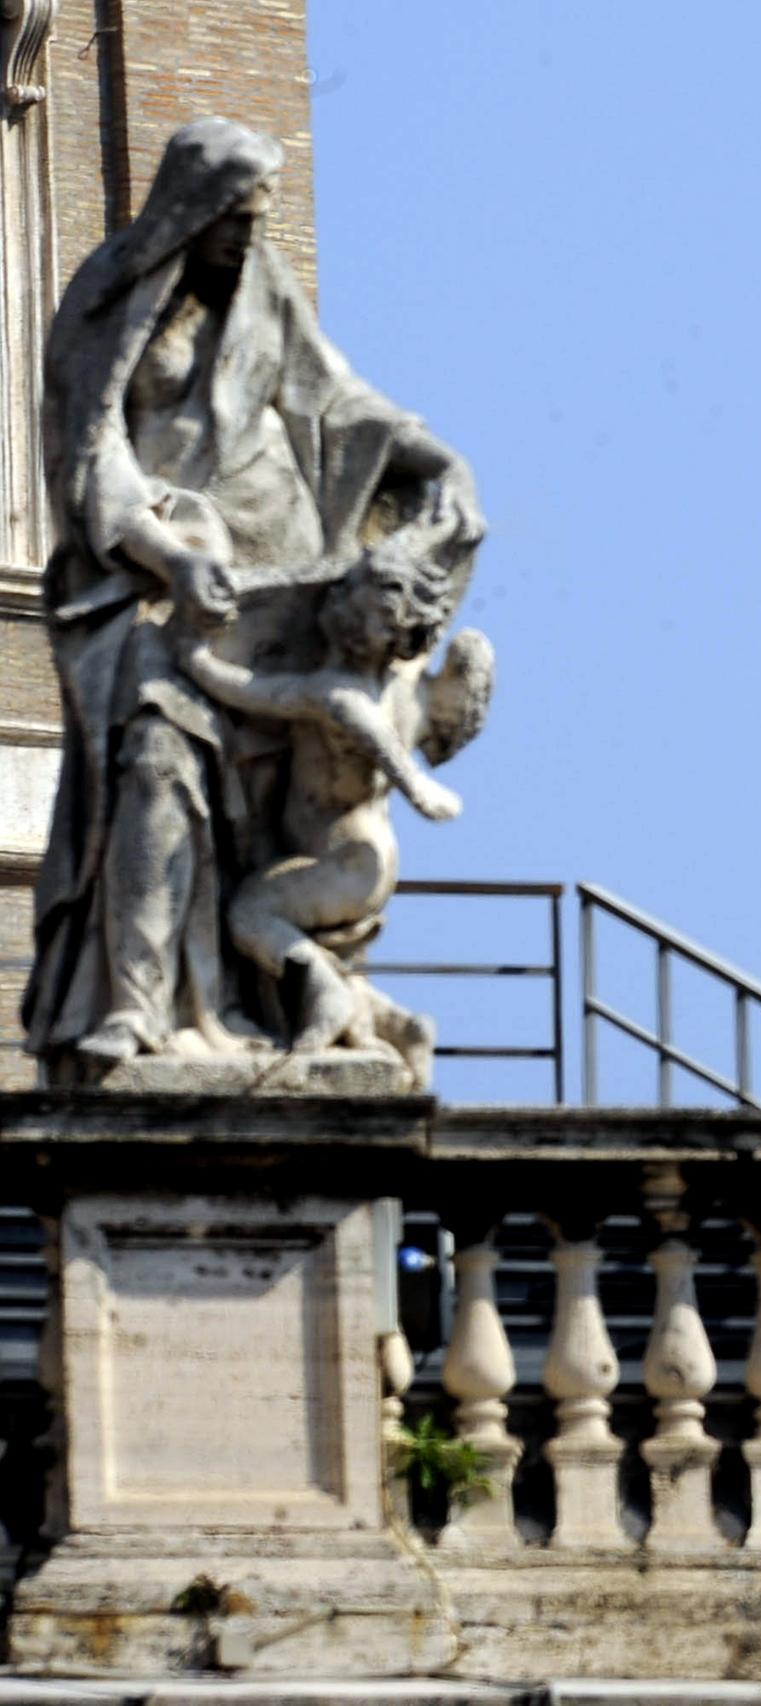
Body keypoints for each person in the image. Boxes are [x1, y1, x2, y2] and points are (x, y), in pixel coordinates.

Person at [27, 117, 479, 1073]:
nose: (248, 239)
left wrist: (442, 465)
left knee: (289, 806)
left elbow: (337, 401)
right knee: (157, 761)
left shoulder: (260, 286)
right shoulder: (111, 300)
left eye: (260, 221)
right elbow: (88, 450)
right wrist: (166, 553)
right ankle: (141, 1008)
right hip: (159, 588)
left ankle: (274, 996)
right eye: (237, 221)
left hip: (288, 584)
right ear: (193, 213)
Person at [175, 525, 492, 1076]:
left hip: (342, 860)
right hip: (367, 857)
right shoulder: (411, 687)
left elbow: (250, 691)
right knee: (305, 932)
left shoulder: (332, 693)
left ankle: (328, 994)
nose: (337, 598)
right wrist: (440, 530)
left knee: (250, 915)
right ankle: (398, 1025)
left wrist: (195, 659)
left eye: (350, 595)